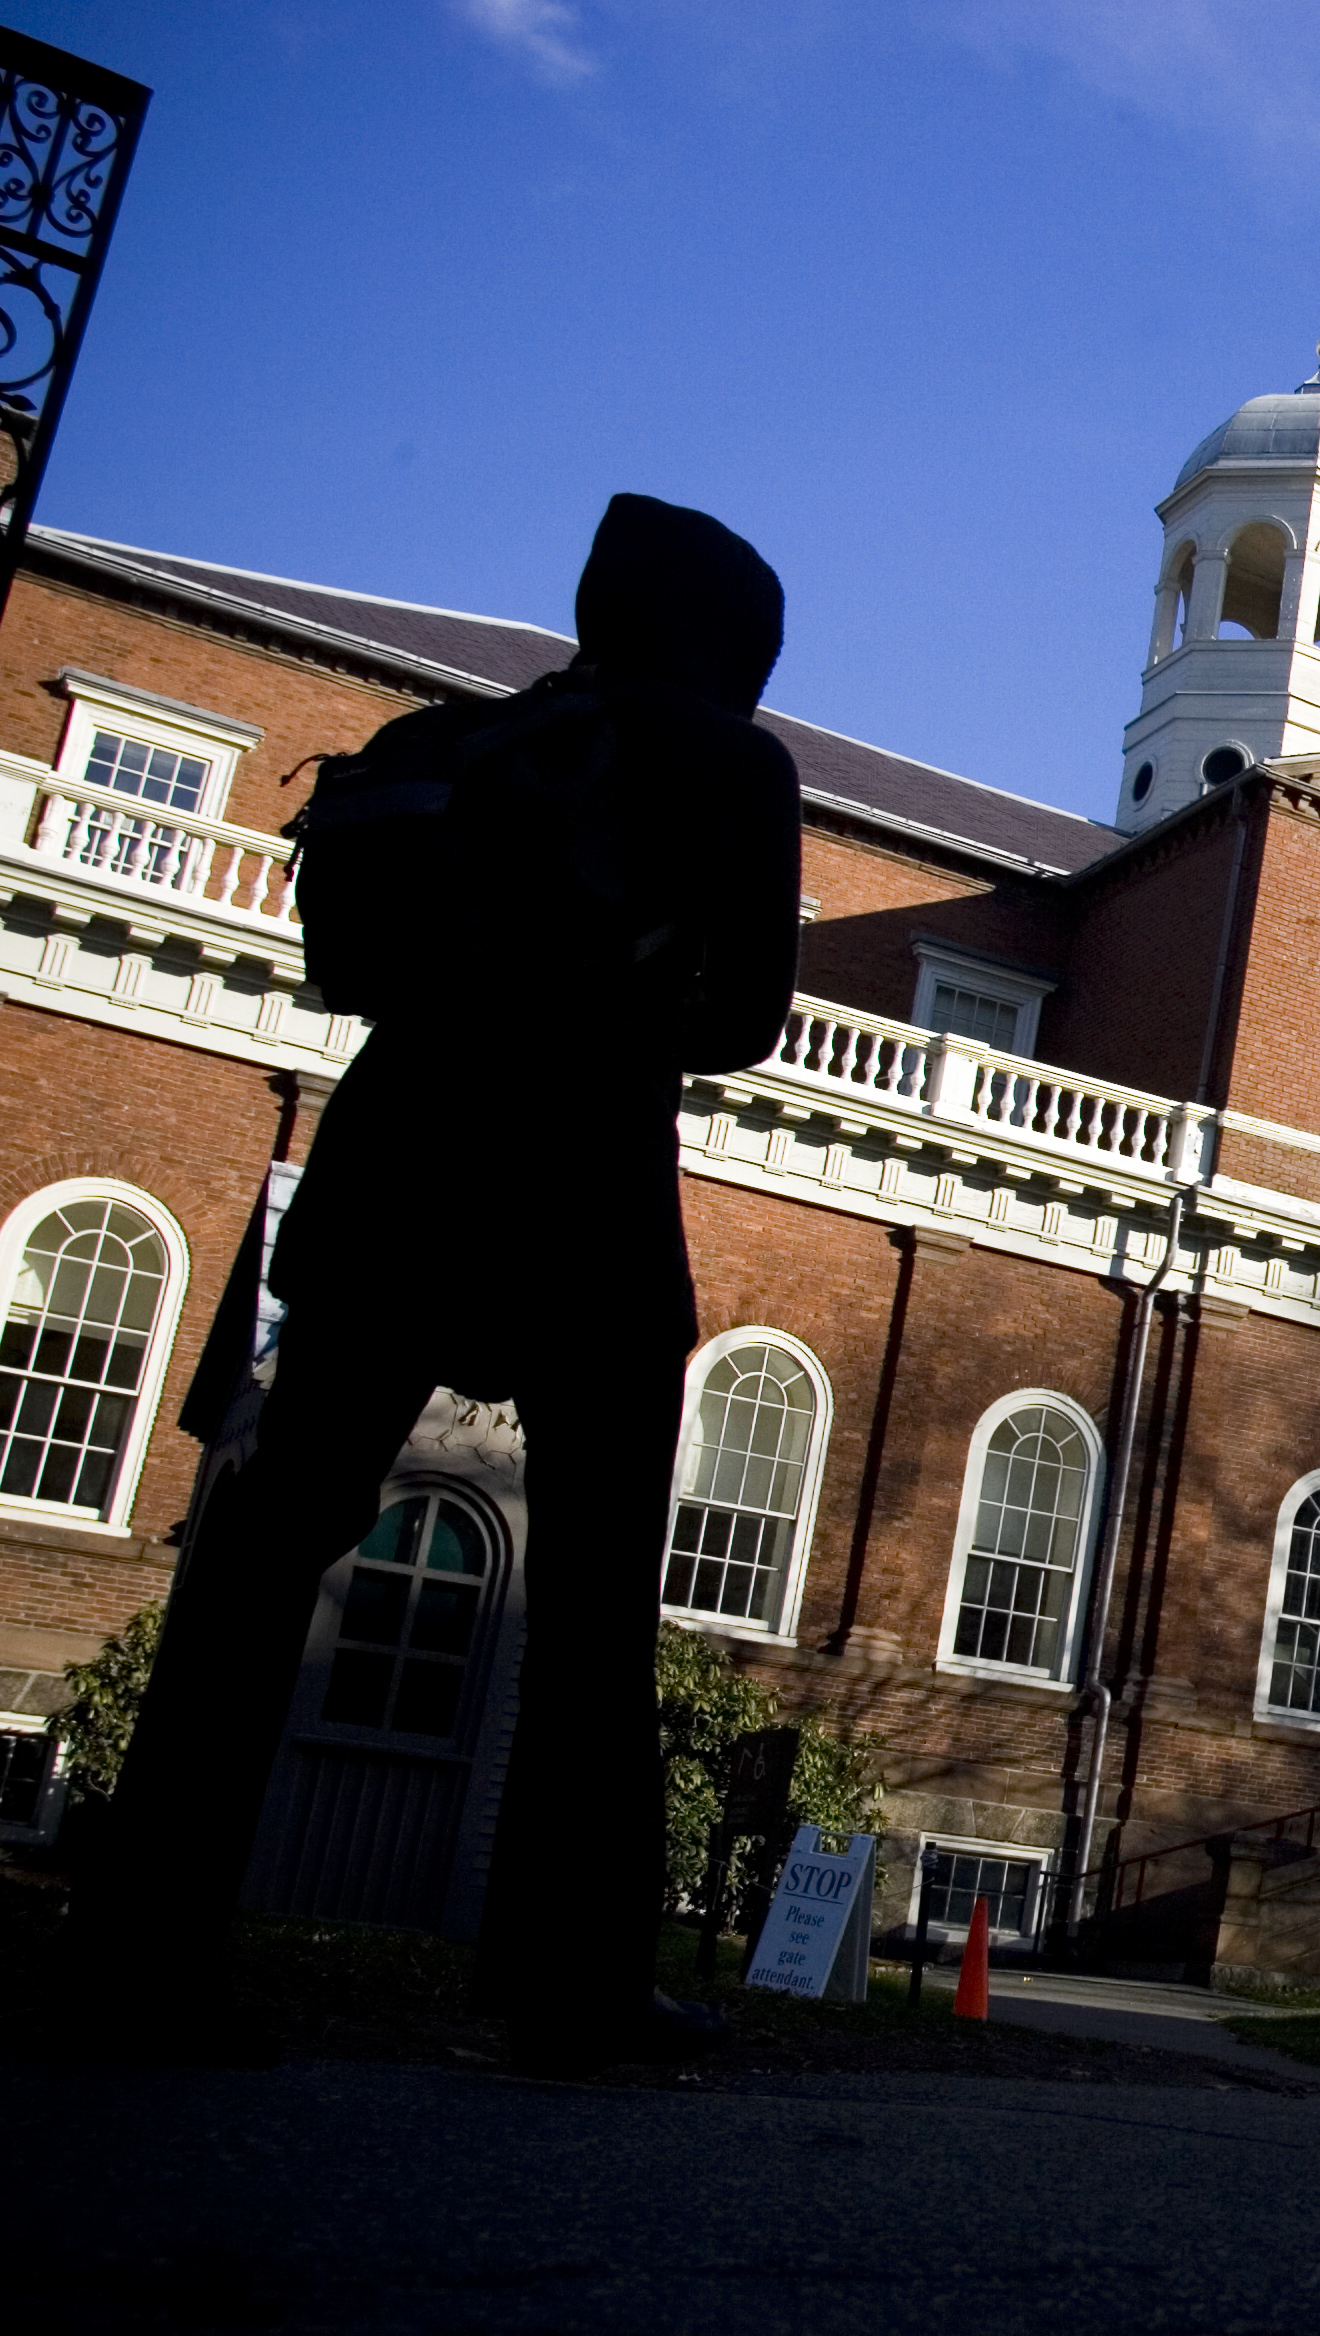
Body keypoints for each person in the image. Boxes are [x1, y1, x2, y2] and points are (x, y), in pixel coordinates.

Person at [68, 495, 804, 2073]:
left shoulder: (453, 736)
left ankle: (143, 1934)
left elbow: (356, 967)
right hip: (584, 1188)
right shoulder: (731, 766)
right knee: (597, 1601)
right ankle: (568, 1984)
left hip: (396, 1159)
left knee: (271, 1543)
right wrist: (617, 997)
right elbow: (746, 1014)